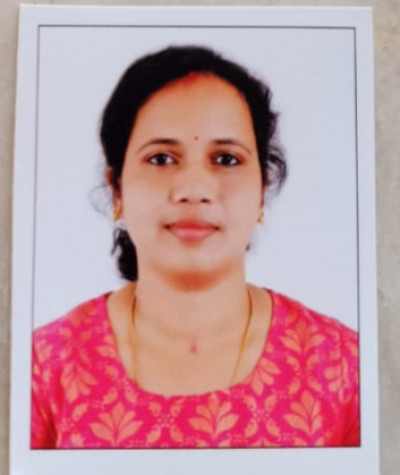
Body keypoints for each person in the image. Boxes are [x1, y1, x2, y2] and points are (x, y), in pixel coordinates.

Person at [31, 46, 359, 449]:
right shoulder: (42, 368)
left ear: (262, 191)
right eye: (161, 158)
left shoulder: (342, 367)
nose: (194, 189)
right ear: (117, 189)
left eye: (226, 159)